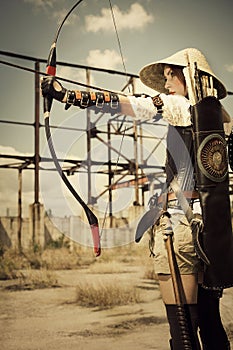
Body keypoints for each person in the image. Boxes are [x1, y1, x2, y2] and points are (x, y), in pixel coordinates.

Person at [41, 47, 233, 349]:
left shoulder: (179, 106)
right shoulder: (223, 120)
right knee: (210, 324)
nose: (167, 83)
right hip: (213, 231)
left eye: (172, 75)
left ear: (189, 75)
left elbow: (132, 104)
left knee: (182, 329)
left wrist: (67, 95)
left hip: (180, 229)